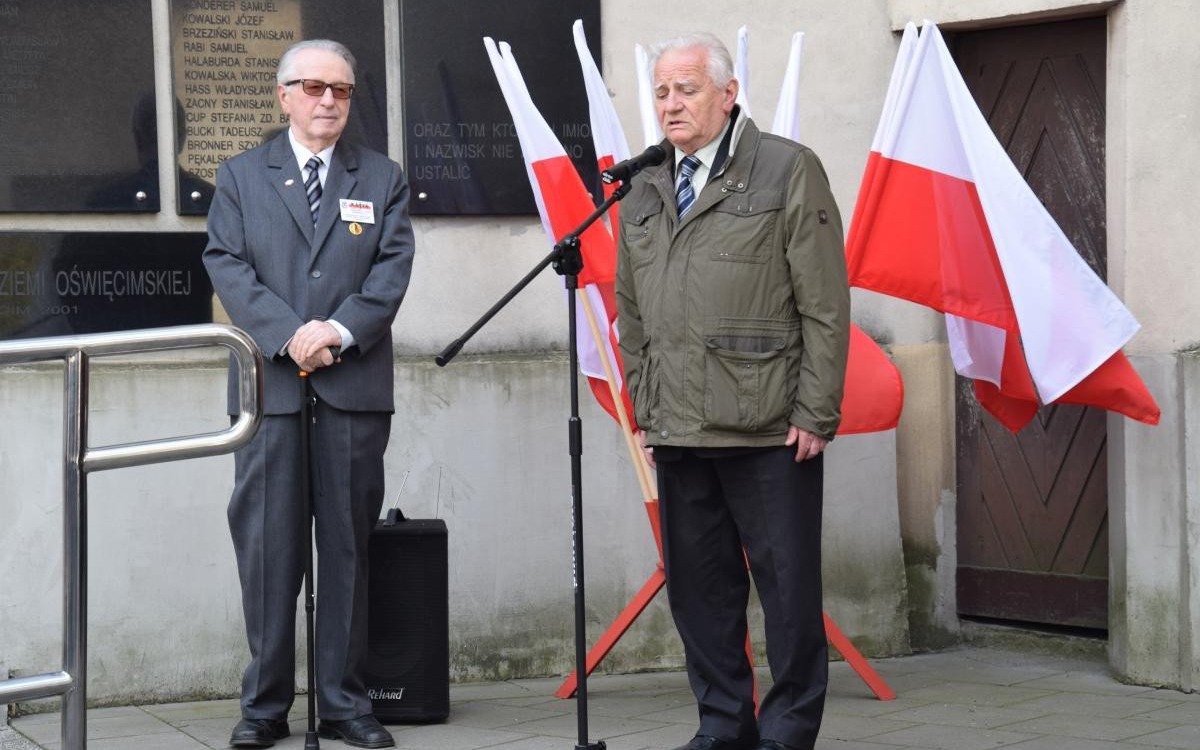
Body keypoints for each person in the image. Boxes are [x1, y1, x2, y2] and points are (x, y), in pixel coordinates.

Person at [614, 33, 850, 750]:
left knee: (788, 593)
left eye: (686, 89)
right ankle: (723, 727)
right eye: (661, 91)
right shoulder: (644, 186)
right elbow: (631, 314)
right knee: (701, 594)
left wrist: (817, 410)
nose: (671, 104)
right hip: (678, 428)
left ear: (728, 92)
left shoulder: (786, 168)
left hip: (768, 425)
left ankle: (787, 732)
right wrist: (646, 406)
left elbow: (825, 303)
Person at [203, 39, 414, 750]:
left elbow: (390, 270)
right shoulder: (241, 176)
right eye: (314, 87)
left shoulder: (381, 178)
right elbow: (227, 264)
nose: (328, 100)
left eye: (341, 90)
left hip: (351, 390)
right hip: (271, 394)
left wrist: (338, 331)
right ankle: (264, 705)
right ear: (284, 95)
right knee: (268, 552)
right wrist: (291, 335)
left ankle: (345, 703)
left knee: (348, 550)